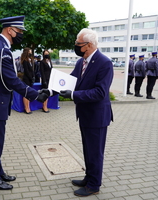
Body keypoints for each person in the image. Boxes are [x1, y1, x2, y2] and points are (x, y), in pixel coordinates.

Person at [0, 16, 49, 190]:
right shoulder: (1, 50)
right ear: (10, 30)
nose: (21, 34)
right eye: (19, 31)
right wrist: (35, 95)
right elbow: (10, 80)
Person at [59, 28, 113, 197]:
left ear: (89, 45)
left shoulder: (104, 63)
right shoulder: (81, 61)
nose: (75, 46)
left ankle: (94, 185)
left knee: (95, 152)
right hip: (85, 114)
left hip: (97, 116)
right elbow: (70, 81)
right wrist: (51, 90)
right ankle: (89, 177)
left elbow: (100, 92)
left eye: (78, 44)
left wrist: (74, 95)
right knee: (88, 150)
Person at [21, 47, 35, 114]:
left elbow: (31, 70)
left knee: (28, 94)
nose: (30, 54)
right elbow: (26, 71)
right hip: (27, 79)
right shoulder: (25, 61)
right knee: (26, 94)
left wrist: (33, 76)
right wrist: (31, 78)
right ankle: (26, 108)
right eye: (29, 53)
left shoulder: (30, 60)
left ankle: (28, 107)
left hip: (30, 79)